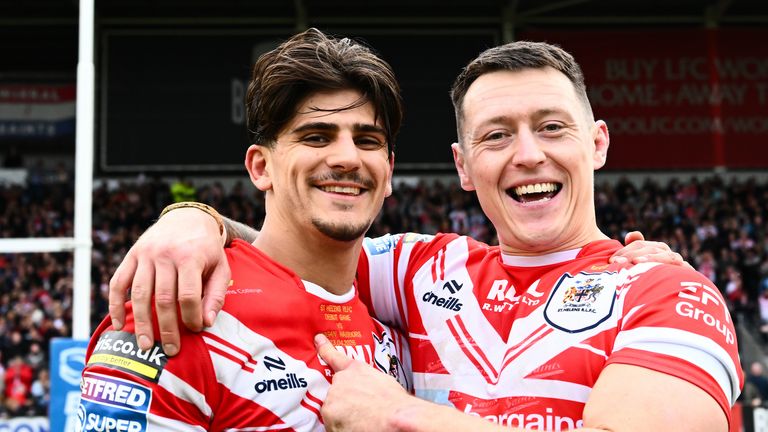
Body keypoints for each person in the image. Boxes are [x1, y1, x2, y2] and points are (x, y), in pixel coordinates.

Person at [107, 42, 734, 431]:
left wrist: (401, 416)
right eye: (496, 135)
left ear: (596, 143)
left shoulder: (671, 293)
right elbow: (298, 246)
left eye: (551, 127)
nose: (527, 154)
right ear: (462, 165)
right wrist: (193, 222)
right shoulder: (419, 270)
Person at [79, 28, 411, 431]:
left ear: (389, 171)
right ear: (260, 167)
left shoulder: (404, 308)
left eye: (367, 140)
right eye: (316, 137)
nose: (347, 158)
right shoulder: (181, 309)